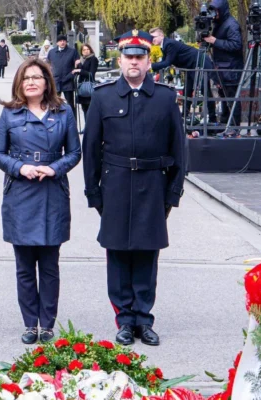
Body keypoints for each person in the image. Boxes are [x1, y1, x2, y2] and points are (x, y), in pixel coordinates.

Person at [82, 30, 186, 347]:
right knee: (117, 254)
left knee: (146, 254)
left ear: (148, 61)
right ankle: (124, 320)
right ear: (120, 60)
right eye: (129, 57)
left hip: (153, 185)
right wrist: (93, 192)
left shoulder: (166, 98)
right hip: (115, 184)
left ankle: (144, 319)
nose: (134, 62)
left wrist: (172, 193)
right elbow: (91, 150)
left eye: (140, 57)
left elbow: (180, 150)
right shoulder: (103, 97)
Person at [0, 58, 81, 344]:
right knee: (25, 265)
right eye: (26, 77)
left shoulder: (64, 112)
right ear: (19, 83)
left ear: (47, 83)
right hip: (21, 193)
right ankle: (31, 324)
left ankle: (48, 323)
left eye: (37, 77)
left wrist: (55, 168)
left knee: (50, 264)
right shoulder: (10, 114)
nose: (31, 82)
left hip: (53, 190)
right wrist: (20, 168)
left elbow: (74, 152)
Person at [149, 28, 217, 123]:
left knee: (205, 90)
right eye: (150, 37)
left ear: (161, 36)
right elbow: (164, 62)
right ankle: (185, 116)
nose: (152, 39)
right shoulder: (164, 45)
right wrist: (153, 68)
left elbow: (167, 62)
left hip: (199, 63)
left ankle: (213, 119)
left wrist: (150, 66)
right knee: (187, 90)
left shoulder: (169, 44)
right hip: (190, 66)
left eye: (154, 37)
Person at [203, 0, 244, 136]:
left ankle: (234, 127)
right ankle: (224, 125)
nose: (215, 14)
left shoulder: (231, 25)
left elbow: (236, 45)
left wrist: (215, 41)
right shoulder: (218, 24)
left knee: (232, 98)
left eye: (217, 10)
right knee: (223, 97)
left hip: (231, 68)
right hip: (221, 67)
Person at [47, 35, 80, 117]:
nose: (62, 42)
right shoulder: (52, 52)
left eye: (64, 40)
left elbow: (77, 66)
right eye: (60, 41)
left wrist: (73, 73)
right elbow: (48, 65)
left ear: (66, 42)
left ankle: (72, 122)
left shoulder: (72, 52)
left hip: (68, 81)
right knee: (54, 103)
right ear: (57, 42)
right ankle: (54, 120)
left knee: (70, 104)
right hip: (56, 81)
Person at [72, 43, 98, 121]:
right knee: (84, 108)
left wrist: (80, 70)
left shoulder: (93, 59)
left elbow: (91, 74)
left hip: (88, 86)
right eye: (84, 50)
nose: (86, 51)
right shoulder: (83, 60)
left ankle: (89, 127)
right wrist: (78, 65)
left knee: (89, 109)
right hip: (81, 86)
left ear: (90, 50)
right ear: (81, 52)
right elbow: (80, 71)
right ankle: (86, 127)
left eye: (87, 49)